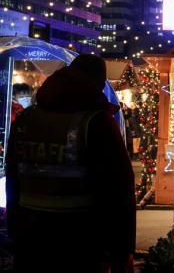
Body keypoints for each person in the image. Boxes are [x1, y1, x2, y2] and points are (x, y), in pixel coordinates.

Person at [6, 54, 135, 273]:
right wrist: (121, 252)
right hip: (81, 240)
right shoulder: (95, 123)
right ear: (98, 83)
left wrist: (15, 233)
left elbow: (13, 181)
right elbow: (119, 190)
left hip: (31, 237)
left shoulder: (27, 119)